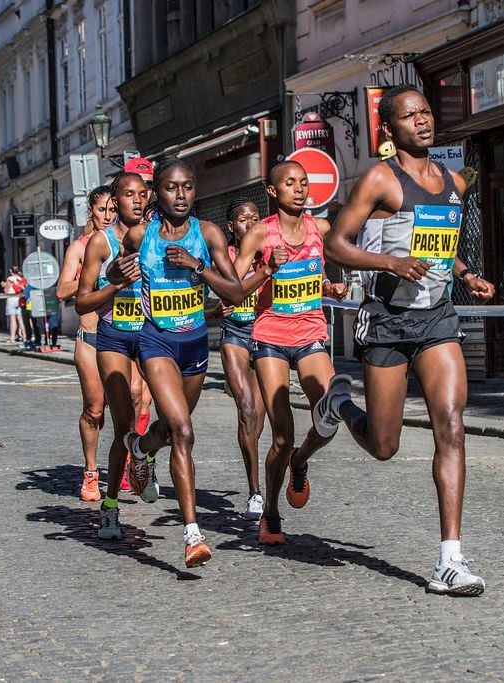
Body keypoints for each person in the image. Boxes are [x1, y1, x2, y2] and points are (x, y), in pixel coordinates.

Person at [318, 84, 496, 596]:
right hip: (388, 319)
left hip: (436, 317)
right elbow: (336, 243)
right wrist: (391, 264)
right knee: (383, 445)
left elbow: (436, 246)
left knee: (452, 424)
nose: (421, 121)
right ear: (389, 130)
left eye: (425, 113)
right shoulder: (380, 178)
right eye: (408, 116)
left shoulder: (452, 182)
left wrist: (465, 275)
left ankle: (450, 559)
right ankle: (340, 405)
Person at [109, 157, 243, 567]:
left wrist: (197, 267)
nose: (181, 195)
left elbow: (236, 293)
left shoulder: (209, 234)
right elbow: (117, 271)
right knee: (184, 431)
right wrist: (117, 271)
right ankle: (192, 535)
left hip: (196, 346)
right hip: (157, 343)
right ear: (157, 193)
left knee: (167, 432)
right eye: (171, 187)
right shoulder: (138, 235)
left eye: (187, 187)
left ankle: (139, 446)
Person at [232, 163, 348, 541]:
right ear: (272, 190)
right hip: (270, 338)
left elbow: (324, 270)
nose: (299, 189)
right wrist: (265, 268)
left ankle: (301, 461)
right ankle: (271, 512)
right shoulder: (259, 233)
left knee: (330, 413)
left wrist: (330, 287)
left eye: (303, 182)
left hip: (311, 332)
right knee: (282, 436)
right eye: (289, 183)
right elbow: (232, 288)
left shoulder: (321, 229)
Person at [75, 172, 154, 538]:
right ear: (116, 201)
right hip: (115, 338)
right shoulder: (100, 243)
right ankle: (109, 505)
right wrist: (117, 283)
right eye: (128, 194)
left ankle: (145, 455)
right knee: (122, 423)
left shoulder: (159, 236)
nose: (136, 200)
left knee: (173, 415)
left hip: (154, 336)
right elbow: (81, 301)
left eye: (142, 194)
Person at [208, 198, 268, 520]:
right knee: (245, 409)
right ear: (232, 226)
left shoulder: (270, 253)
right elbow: (207, 301)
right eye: (244, 219)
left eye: (256, 218)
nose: (251, 224)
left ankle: (257, 464)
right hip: (234, 336)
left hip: (266, 335)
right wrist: (214, 310)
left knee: (258, 419)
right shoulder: (223, 257)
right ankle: (255, 492)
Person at [56, 185, 115, 501]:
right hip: (90, 338)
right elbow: (62, 290)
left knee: (134, 400)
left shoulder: (126, 244)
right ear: (90, 212)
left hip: (122, 335)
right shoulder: (80, 248)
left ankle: (129, 463)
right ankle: (91, 472)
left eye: (112, 209)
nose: (108, 216)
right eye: (101, 210)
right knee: (95, 411)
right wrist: (90, 276)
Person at [1, 266, 26, 343]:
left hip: (11, 300)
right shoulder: (20, 279)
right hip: (19, 300)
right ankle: (24, 337)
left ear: (11, 271)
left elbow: (6, 291)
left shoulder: (9, 279)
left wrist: (4, 286)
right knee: (20, 320)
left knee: (12, 320)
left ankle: (12, 338)